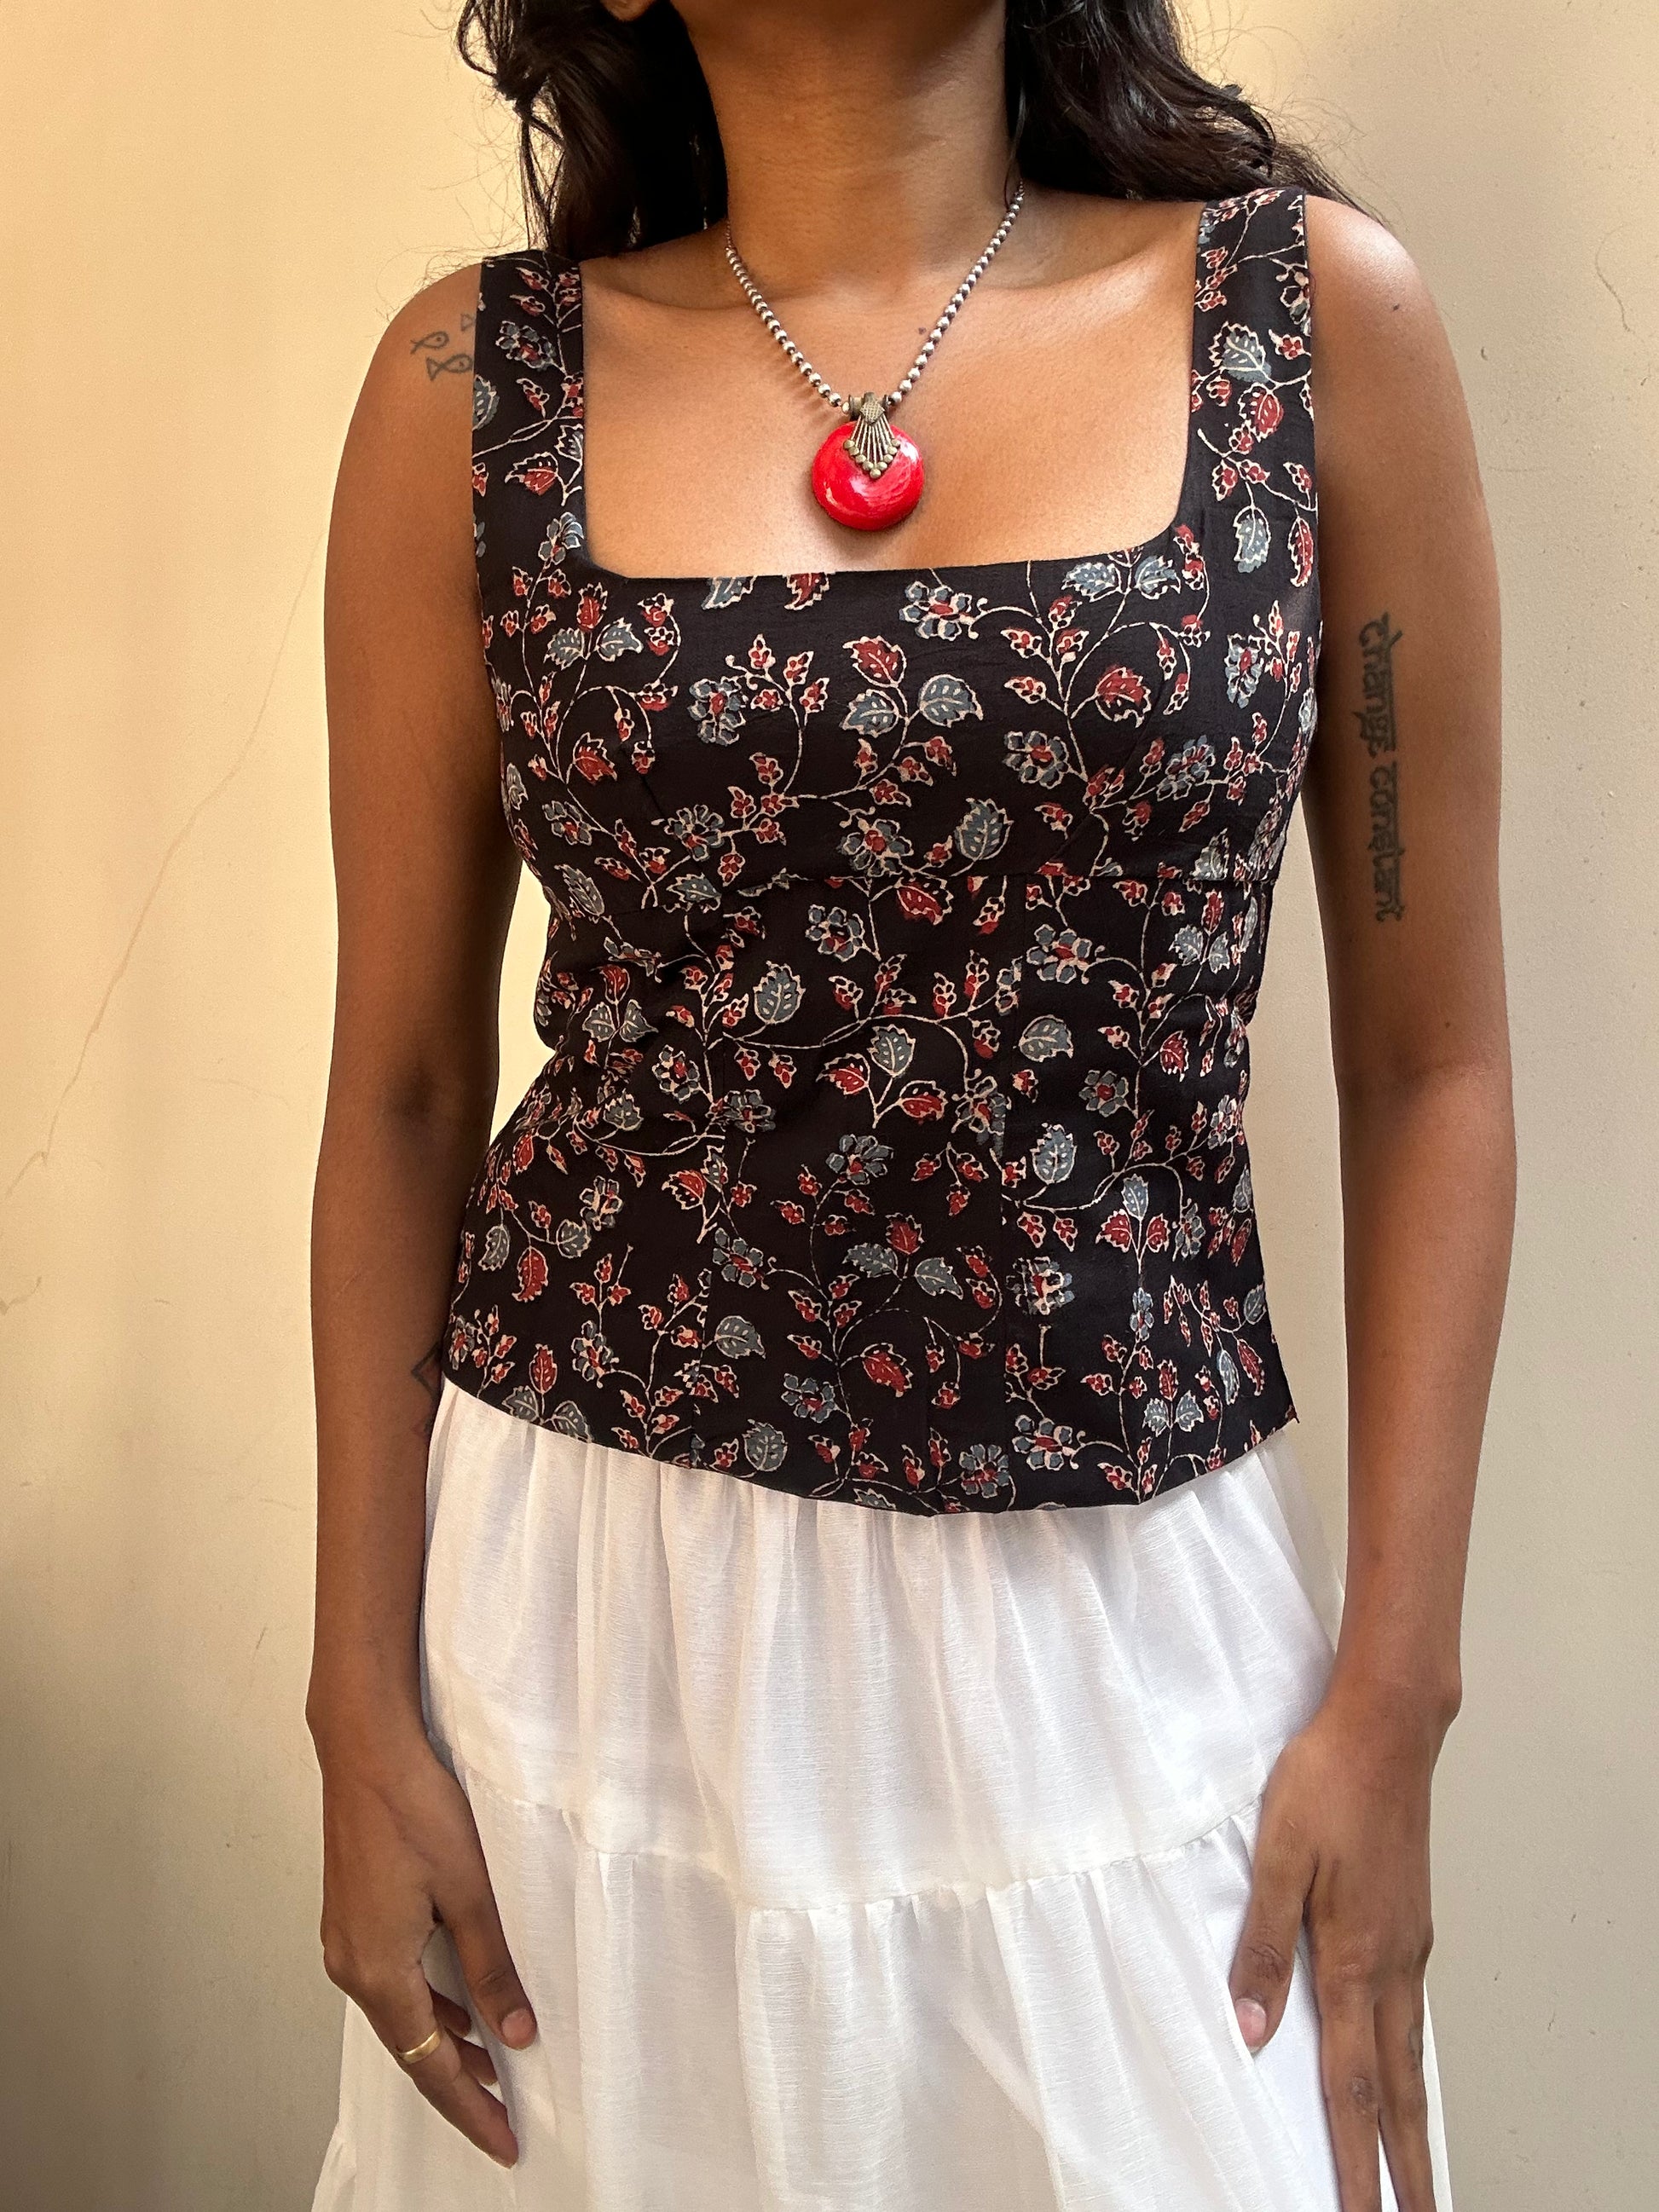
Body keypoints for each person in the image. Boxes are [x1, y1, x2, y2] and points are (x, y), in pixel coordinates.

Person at [305, 3, 1513, 2207]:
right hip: (597, 1622)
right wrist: (356, 1704)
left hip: (1123, 1595)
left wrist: (1395, 1697)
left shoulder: (1312, 329)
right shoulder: (465, 392)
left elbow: (1431, 1063)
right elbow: (400, 1087)